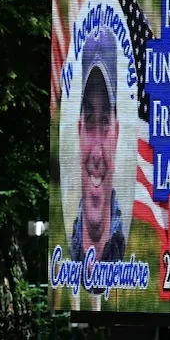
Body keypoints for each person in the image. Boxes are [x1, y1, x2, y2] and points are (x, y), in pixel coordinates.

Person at [70, 25, 126, 261]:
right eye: (90, 121)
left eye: (104, 121)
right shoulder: (63, 262)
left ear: (117, 134)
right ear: (79, 131)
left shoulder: (131, 254)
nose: (96, 153)